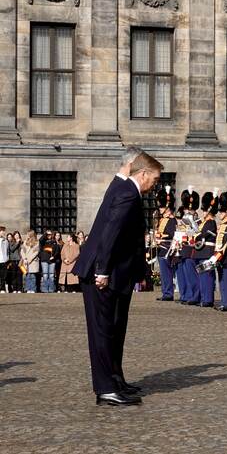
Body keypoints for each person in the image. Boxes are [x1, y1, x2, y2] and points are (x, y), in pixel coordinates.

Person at [74, 151, 162, 406]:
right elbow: (110, 233)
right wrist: (102, 270)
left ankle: (114, 378)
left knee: (114, 329)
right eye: (154, 179)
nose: (154, 185)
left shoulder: (124, 189)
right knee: (102, 332)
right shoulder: (126, 192)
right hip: (103, 273)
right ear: (142, 174)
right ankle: (105, 389)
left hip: (117, 274)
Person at [194, 191, 220, 308]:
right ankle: (204, 298)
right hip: (201, 252)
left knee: (207, 277)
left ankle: (208, 299)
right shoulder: (203, 222)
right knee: (202, 276)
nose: (203, 212)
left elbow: (203, 236)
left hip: (208, 252)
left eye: (204, 210)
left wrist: (197, 235)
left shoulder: (211, 222)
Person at [154, 186, 177, 301]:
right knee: (163, 273)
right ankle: (165, 292)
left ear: (167, 206)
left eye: (162, 206)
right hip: (161, 248)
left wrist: (161, 238)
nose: (160, 208)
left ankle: (168, 293)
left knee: (166, 272)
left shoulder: (172, 220)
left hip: (166, 248)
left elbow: (172, 235)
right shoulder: (162, 219)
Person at [0, 226, 8, 292]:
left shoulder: (5, 241)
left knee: (3, 276)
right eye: (3, 231)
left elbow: (7, 250)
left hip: (3, 261)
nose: (4, 232)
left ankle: (2, 289)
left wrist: (7, 258)